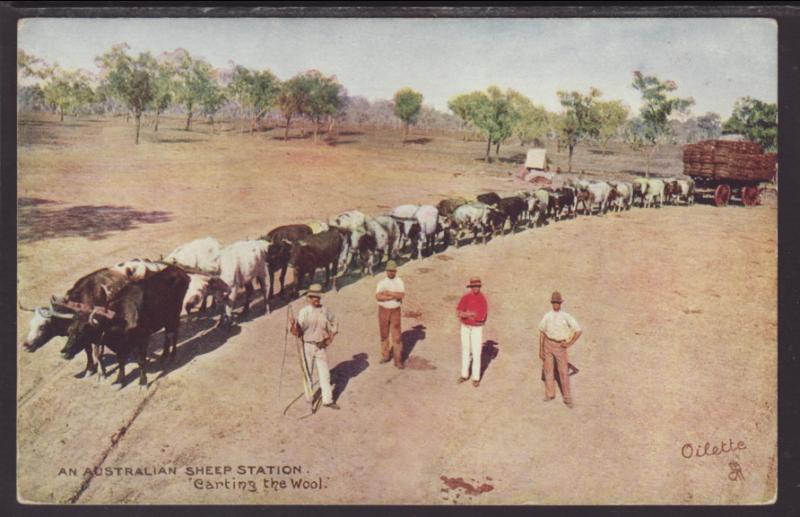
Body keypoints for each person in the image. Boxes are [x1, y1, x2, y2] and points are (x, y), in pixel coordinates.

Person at [289, 283, 340, 410]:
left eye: (318, 297)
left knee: (325, 374)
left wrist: (331, 338)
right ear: (309, 298)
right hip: (307, 346)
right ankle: (309, 399)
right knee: (308, 373)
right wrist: (294, 325)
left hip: (321, 346)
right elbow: (298, 332)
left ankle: (328, 400)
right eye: (313, 297)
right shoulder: (304, 312)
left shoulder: (325, 310)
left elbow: (334, 322)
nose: (316, 300)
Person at [538, 291, 582, 408]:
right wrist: (540, 349)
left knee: (563, 371)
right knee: (548, 370)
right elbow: (542, 332)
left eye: (557, 302)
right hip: (548, 344)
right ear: (551, 303)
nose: (555, 305)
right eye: (554, 302)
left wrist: (569, 343)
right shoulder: (547, 315)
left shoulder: (566, 316)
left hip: (560, 346)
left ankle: (567, 398)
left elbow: (578, 330)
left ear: (560, 303)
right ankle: (550, 394)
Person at [455, 277, 488, 387]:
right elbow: (459, 312)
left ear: (480, 287)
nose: (475, 288)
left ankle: (476, 377)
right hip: (465, 327)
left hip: (476, 328)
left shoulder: (483, 299)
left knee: (476, 352)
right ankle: (464, 375)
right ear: (471, 287)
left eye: (477, 286)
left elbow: (480, 318)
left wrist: (466, 314)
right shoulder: (466, 297)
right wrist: (470, 314)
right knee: (465, 349)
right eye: (474, 286)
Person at [375, 260, 405, 369]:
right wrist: (392, 297)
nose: (391, 273)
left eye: (393, 271)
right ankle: (385, 355)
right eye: (389, 271)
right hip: (383, 310)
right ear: (386, 271)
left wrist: (389, 294)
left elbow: (401, 295)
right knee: (384, 334)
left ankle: (398, 360)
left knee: (396, 336)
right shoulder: (382, 283)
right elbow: (378, 296)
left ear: (396, 271)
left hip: (395, 311)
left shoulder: (399, 282)